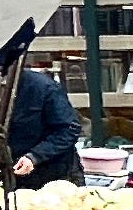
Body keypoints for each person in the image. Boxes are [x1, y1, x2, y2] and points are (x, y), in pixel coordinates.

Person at [8, 57, 87, 190]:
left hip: (57, 175)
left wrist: (34, 156)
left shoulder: (44, 87)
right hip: (13, 175)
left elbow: (69, 129)